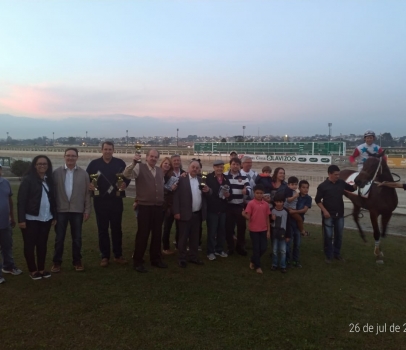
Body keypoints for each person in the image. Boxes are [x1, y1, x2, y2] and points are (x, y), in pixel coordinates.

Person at [86, 141, 130, 267]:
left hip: (116, 201)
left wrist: (125, 184)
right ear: (102, 150)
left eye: (110, 149)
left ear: (113, 150)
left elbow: (127, 176)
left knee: (117, 229)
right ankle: (105, 256)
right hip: (100, 201)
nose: (108, 151)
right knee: (102, 229)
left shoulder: (120, 163)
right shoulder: (94, 164)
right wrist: (89, 185)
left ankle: (118, 255)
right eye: (105, 149)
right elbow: (87, 178)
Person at [123, 149, 167, 273]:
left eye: (155, 157)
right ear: (146, 157)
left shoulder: (159, 171)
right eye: (151, 156)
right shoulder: (139, 167)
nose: (153, 158)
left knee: (157, 235)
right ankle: (137, 261)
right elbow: (126, 174)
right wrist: (133, 162)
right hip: (145, 207)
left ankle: (155, 259)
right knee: (143, 235)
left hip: (158, 207)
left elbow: (161, 186)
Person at [51, 148, 91, 273]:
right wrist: (53, 212)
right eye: (68, 155)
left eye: (73, 156)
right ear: (64, 157)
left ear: (77, 158)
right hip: (60, 210)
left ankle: (77, 261)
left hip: (77, 210)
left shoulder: (84, 174)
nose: (70, 158)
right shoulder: (56, 173)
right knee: (59, 238)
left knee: (77, 238)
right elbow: (52, 194)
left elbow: (87, 194)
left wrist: (87, 210)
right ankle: (57, 262)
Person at [17, 155, 57, 280]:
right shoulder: (28, 180)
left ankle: (41, 268)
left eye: (44, 164)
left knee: (42, 245)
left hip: (46, 218)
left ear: (48, 166)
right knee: (30, 245)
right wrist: (21, 219)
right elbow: (21, 201)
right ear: (35, 165)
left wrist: (54, 216)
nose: (42, 166)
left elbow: (53, 199)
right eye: (39, 164)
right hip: (31, 218)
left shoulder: (49, 180)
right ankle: (33, 270)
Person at [315, 165, 357, 263]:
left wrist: (358, 183)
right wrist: (324, 211)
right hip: (328, 215)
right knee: (328, 236)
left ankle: (337, 254)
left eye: (338, 174)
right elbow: (317, 200)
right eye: (336, 174)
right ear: (329, 174)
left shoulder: (341, 183)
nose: (338, 176)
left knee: (339, 235)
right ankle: (328, 255)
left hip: (340, 215)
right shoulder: (322, 186)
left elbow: (352, 189)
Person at [173, 160, 208, 268]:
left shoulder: (201, 180)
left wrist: (208, 190)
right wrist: (176, 212)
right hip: (184, 214)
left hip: (197, 215)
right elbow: (176, 197)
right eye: (193, 167)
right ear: (188, 168)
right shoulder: (181, 179)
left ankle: (193, 257)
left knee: (194, 238)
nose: (195, 169)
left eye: (197, 168)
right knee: (183, 238)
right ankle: (182, 258)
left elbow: (208, 193)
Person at [224, 157, 252, 256]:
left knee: (241, 228)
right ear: (230, 165)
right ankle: (230, 247)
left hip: (239, 206)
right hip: (228, 206)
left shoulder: (243, 176)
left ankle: (240, 247)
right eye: (233, 164)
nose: (235, 166)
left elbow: (249, 188)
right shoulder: (225, 176)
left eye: (237, 164)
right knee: (229, 228)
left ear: (240, 166)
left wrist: (246, 191)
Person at [205, 160, 231, 261]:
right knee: (212, 232)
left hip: (223, 209)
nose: (219, 169)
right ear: (213, 167)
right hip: (212, 210)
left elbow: (230, 190)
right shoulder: (208, 178)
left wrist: (229, 195)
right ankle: (210, 251)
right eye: (217, 167)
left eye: (221, 167)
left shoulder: (225, 178)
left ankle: (219, 249)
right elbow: (205, 192)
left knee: (221, 231)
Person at [0, 164, 22, 284]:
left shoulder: (5, 182)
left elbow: (9, 201)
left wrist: (12, 217)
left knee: (7, 245)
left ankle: (8, 266)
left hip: (5, 221)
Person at [242, 185, 270, 274]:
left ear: (263, 194)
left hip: (263, 229)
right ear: (254, 193)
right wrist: (244, 214)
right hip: (254, 229)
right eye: (257, 193)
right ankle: (258, 266)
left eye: (261, 193)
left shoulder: (266, 204)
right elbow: (248, 217)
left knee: (264, 248)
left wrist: (268, 230)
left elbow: (267, 218)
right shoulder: (251, 203)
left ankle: (253, 259)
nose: (259, 195)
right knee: (256, 248)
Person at [286, 180, 312, 268]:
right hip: (290, 222)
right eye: (303, 187)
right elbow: (288, 204)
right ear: (299, 188)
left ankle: (295, 261)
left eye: (307, 187)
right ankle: (287, 261)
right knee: (289, 243)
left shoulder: (308, 198)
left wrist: (294, 211)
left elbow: (304, 210)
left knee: (297, 244)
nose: (305, 189)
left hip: (298, 223)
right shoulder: (294, 195)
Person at [162, 154, 185, 251]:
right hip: (169, 204)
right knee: (167, 226)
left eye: (178, 160)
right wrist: (170, 189)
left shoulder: (184, 173)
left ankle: (178, 245)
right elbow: (163, 189)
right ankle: (166, 247)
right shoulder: (167, 174)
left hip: (180, 204)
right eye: (174, 160)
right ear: (172, 162)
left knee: (180, 227)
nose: (176, 162)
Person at [160, 157, 178, 255]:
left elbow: (171, 193)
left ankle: (165, 247)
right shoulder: (156, 174)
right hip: (157, 204)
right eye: (165, 163)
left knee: (167, 227)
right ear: (162, 163)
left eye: (169, 164)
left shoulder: (172, 176)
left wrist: (172, 189)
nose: (167, 165)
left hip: (168, 205)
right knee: (156, 228)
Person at [270, 193, 291, 273]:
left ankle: (283, 266)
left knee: (283, 250)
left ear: (283, 202)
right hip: (274, 233)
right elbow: (269, 222)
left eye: (280, 202)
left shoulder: (286, 211)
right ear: (274, 202)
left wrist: (288, 235)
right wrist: (272, 219)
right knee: (274, 250)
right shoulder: (272, 210)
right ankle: (274, 264)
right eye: (277, 202)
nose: (279, 203)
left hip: (283, 233)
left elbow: (288, 224)